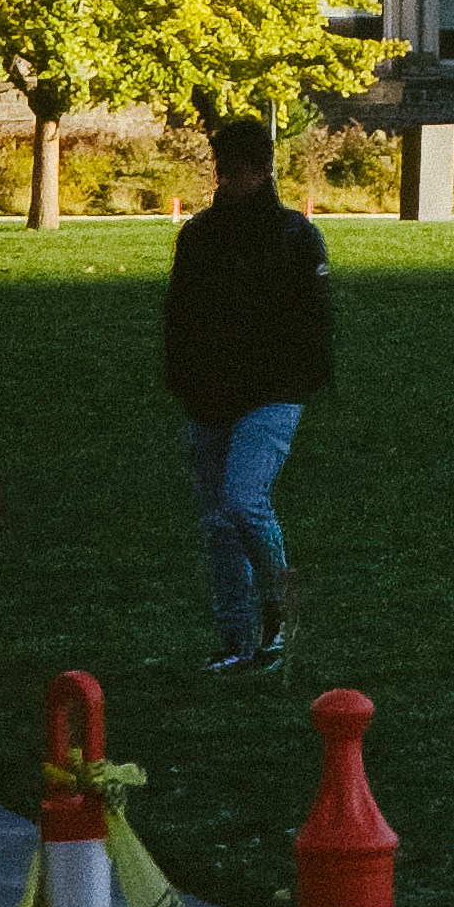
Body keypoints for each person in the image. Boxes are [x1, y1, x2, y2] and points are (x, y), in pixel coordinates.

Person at [163, 116, 332, 677]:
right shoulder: (200, 235)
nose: (228, 181)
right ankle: (235, 639)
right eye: (223, 171)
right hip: (210, 393)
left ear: (263, 172)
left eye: (238, 172)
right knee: (216, 524)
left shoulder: (295, 237)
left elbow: (314, 321)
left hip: (272, 392)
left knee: (243, 502)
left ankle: (279, 612)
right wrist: (184, 378)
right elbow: (180, 316)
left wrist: (300, 377)